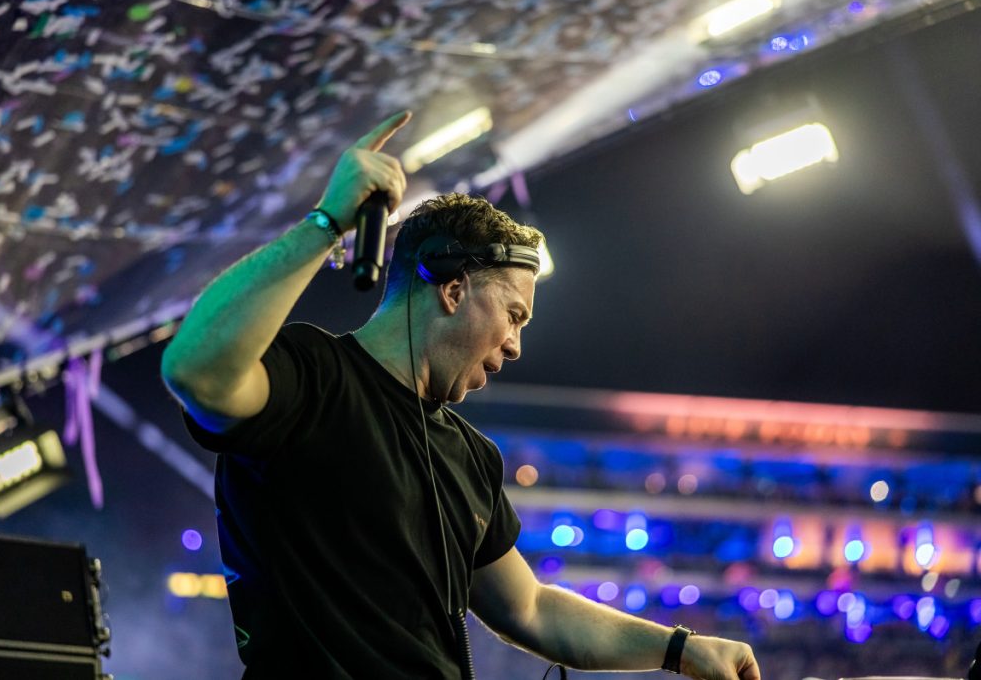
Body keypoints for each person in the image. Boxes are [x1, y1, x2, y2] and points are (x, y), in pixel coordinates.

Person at [162, 110, 762, 680]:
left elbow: (531, 609)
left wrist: (680, 648)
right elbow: (195, 369)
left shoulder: (470, 457)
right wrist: (327, 223)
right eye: (514, 314)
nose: (516, 345)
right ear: (452, 289)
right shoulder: (313, 378)